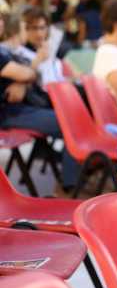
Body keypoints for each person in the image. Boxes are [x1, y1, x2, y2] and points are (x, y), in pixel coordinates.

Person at [0, 13, 79, 190]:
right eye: (27, 28)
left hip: (20, 108)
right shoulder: (7, 51)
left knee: (73, 119)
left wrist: (22, 80)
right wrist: (26, 75)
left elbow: (25, 78)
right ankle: (71, 186)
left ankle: (76, 177)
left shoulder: (8, 52)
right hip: (9, 113)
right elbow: (25, 76)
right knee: (71, 123)